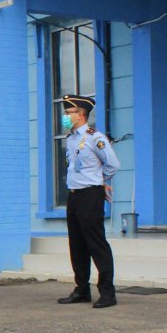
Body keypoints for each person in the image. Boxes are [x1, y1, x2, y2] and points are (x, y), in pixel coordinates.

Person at [56, 94, 119, 309]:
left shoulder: (94, 137)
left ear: (80, 114)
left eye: (68, 112)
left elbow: (112, 164)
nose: (65, 116)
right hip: (74, 195)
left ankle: (108, 293)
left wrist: (102, 181)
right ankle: (82, 289)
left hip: (90, 194)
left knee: (96, 243)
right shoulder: (71, 138)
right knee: (77, 244)